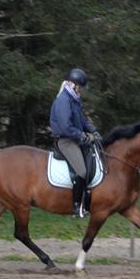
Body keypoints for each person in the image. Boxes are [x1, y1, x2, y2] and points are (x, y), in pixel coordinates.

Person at [49, 68, 102, 217]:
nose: (82, 91)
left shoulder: (74, 99)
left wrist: (94, 131)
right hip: (66, 141)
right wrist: (82, 136)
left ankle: (87, 201)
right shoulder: (63, 101)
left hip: (75, 138)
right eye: (80, 88)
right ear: (73, 85)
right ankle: (76, 206)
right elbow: (66, 127)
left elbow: (82, 121)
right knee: (82, 171)